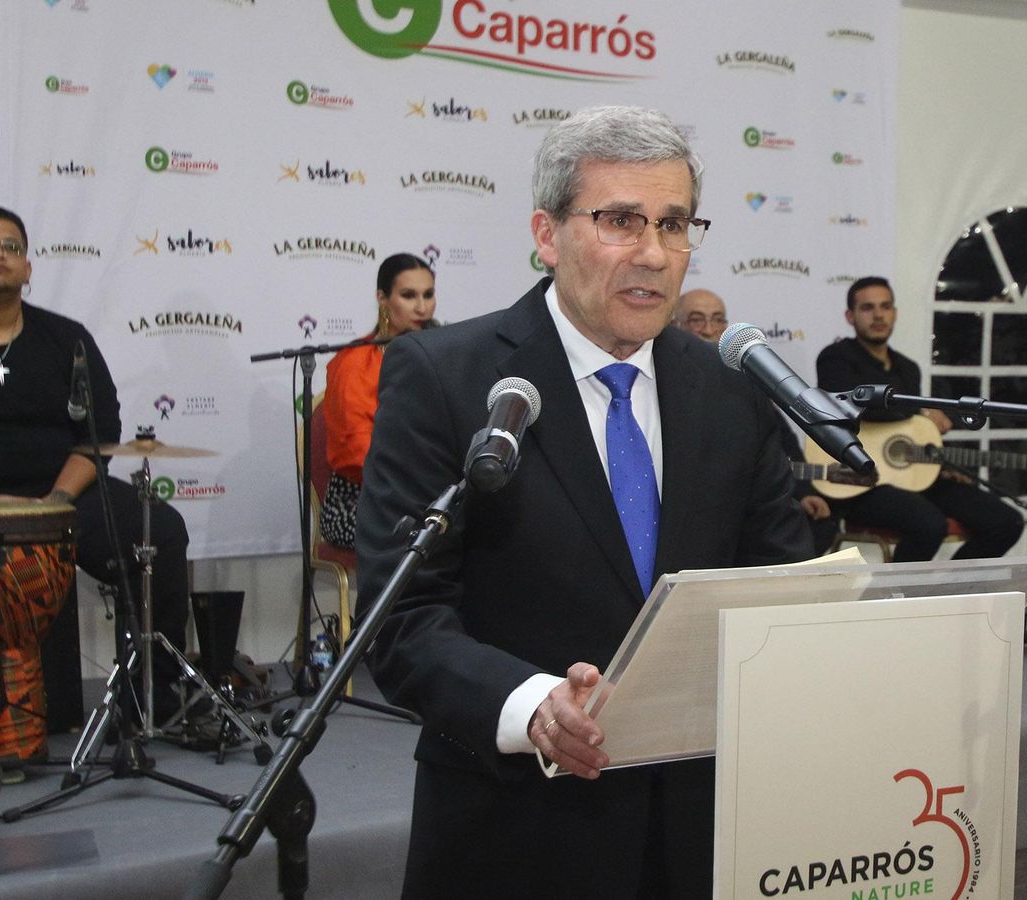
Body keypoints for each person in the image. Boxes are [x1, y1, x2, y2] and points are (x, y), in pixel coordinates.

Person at [355, 106, 812, 898]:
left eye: (675, 224)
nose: (655, 253)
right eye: (620, 221)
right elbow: (402, 619)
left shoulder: (730, 391)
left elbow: (780, 583)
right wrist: (534, 706)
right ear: (547, 233)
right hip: (517, 830)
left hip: (702, 828)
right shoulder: (445, 378)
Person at [0, 205, 195, 738]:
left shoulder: (67, 340)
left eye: (11, 247)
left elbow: (100, 430)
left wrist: (57, 500)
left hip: (62, 495)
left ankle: (152, 692)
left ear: (27, 268)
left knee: (159, 529)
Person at [814, 276, 1024, 562]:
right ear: (850, 316)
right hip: (858, 481)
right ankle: (898, 603)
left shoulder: (908, 369)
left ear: (895, 313)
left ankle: (952, 594)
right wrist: (920, 413)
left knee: (1006, 522)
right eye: (868, 308)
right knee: (928, 525)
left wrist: (935, 458)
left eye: (886, 307)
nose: (878, 315)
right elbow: (848, 407)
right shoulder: (835, 358)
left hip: (912, 476)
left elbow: (907, 432)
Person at [672, 292, 837, 555]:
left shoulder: (746, 382)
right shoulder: (665, 383)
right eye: (697, 320)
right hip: (692, 506)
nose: (708, 330)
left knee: (815, 524)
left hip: (746, 498)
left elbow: (781, 443)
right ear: (675, 326)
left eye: (717, 320)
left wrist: (805, 492)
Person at [319, 253, 436, 548]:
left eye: (428, 295)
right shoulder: (355, 362)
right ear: (382, 298)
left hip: (433, 495)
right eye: (408, 296)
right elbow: (354, 450)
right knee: (436, 538)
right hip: (362, 502)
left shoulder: (443, 352)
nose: (422, 307)